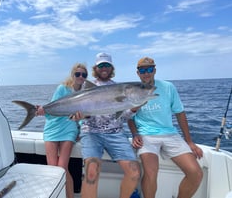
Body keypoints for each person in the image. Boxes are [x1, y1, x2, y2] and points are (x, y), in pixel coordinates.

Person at [128, 56, 203, 198]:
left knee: (196, 173)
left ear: (155, 70)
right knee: (151, 172)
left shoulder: (168, 87)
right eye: (142, 70)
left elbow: (180, 113)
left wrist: (189, 141)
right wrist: (135, 134)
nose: (146, 73)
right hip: (146, 135)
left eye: (149, 69)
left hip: (170, 134)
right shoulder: (133, 90)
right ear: (137, 73)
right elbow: (130, 117)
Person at [79, 52, 141, 198]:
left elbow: (122, 116)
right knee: (91, 171)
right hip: (91, 132)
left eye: (107, 65)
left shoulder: (120, 88)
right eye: (101, 65)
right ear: (96, 68)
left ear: (111, 68)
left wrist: (132, 109)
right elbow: (82, 114)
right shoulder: (87, 87)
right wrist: (81, 116)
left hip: (115, 133)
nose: (104, 68)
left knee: (134, 172)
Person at [36, 63, 88, 198]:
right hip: (53, 127)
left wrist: (80, 131)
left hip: (69, 129)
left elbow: (83, 115)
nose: (81, 77)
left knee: (62, 168)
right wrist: (43, 111)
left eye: (84, 75)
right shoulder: (62, 88)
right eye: (78, 74)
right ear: (73, 75)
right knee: (52, 169)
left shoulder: (85, 93)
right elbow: (52, 108)